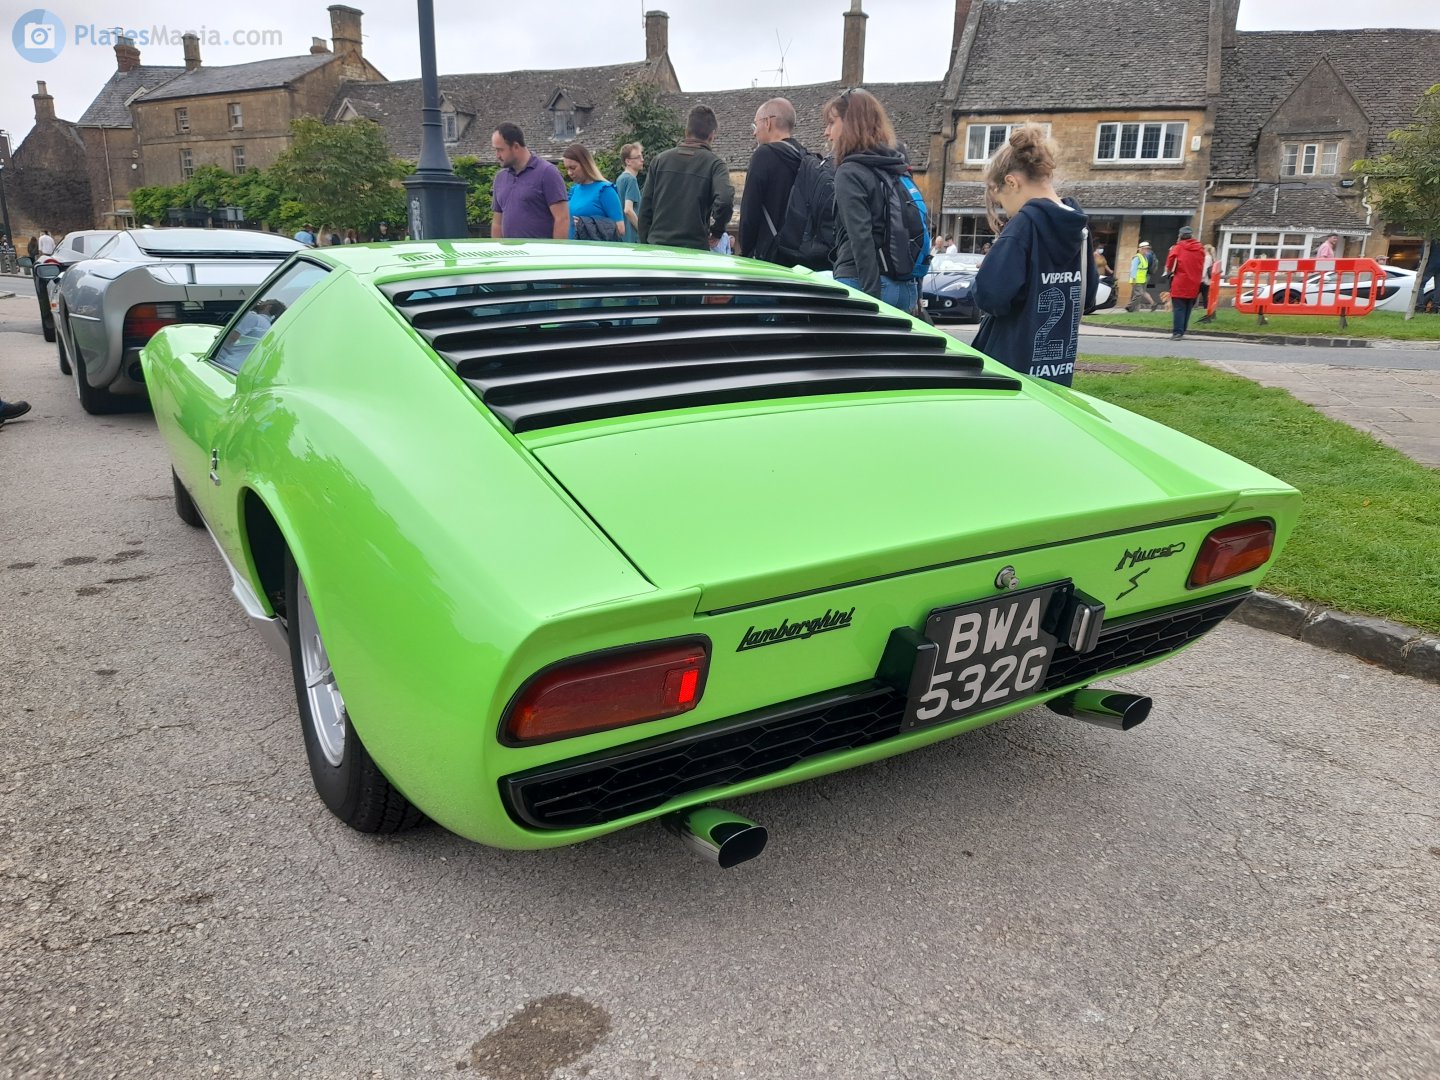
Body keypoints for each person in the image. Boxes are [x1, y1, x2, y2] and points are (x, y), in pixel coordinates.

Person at [971, 124, 1096, 387]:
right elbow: (1089, 295)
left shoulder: (1023, 226)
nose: (1005, 211)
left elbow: (989, 295)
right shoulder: (1078, 226)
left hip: (1011, 365)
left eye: (1001, 201)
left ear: (1011, 182)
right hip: (1057, 368)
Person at [823, 88, 917, 310]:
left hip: (863, 285)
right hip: (905, 289)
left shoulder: (849, 171)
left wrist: (871, 303)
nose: (827, 132)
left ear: (850, 124)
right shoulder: (896, 165)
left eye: (831, 123)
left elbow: (861, 239)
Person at [639, 105, 733, 250]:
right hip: (694, 248)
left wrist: (646, 242)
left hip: (658, 246)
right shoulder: (715, 165)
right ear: (712, 135)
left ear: (686, 131)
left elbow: (645, 208)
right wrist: (717, 232)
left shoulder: (659, 160)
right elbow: (725, 200)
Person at [739, 97, 807, 264]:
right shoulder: (806, 157)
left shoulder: (764, 155)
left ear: (768, 122)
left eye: (756, 125)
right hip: (800, 257)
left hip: (768, 256)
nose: (754, 132)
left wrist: (746, 251)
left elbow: (750, 211)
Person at [490, 123, 569, 240]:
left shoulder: (547, 173)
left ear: (516, 146)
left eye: (500, 150)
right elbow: (497, 222)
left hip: (540, 256)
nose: (497, 155)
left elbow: (562, 218)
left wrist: (555, 254)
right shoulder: (500, 178)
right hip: (510, 256)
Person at [561, 143, 624, 241]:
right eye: (567, 169)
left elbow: (620, 229)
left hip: (596, 252)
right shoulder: (574, 190)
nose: (569, 173)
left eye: (573, 168)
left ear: (585, 164)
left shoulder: (605, 190)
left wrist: (585, 224)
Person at [1164, 226, 1206, 339]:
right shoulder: (1200, 248)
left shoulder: (1178, 247)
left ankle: (1177, 332)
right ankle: (1183, 330)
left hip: (1180, 281)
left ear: (1180, 236)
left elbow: (1169, 263)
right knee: (1188, 308)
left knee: (1179, 307)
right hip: (1194, 282)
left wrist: (1169, 272)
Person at [615, 142, 644, 243]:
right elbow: (628, 210)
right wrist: (642, 231)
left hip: (623, 237)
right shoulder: (631, 179)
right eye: (638, 157)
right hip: (632, 238)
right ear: (628, 161)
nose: (642, 160)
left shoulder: (620, 179)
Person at [1126, 241, 1162, 311]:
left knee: (1138, 294)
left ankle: (1131, 308)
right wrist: (1133, 278)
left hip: (1142, 279)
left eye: (1148, 249)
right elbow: (1133, 269)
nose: (1147, 250)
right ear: (1141, 249)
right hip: (1136, 279)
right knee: (1139, 294)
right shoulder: (1137, 257)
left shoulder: (1145, 257)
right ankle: (1130, 306)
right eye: (1146, 249)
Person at [1198, 242, 1217, 311]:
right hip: (1207, 280)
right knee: (1205, 295)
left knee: (1199, 294)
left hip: (1203, 280)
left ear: (1205, 250)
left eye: (1203, 249)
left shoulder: (1207, 258)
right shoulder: (1211, 258)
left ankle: (1206, 308)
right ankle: (1207, 309)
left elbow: (1205, 268)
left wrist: (1201, 277)